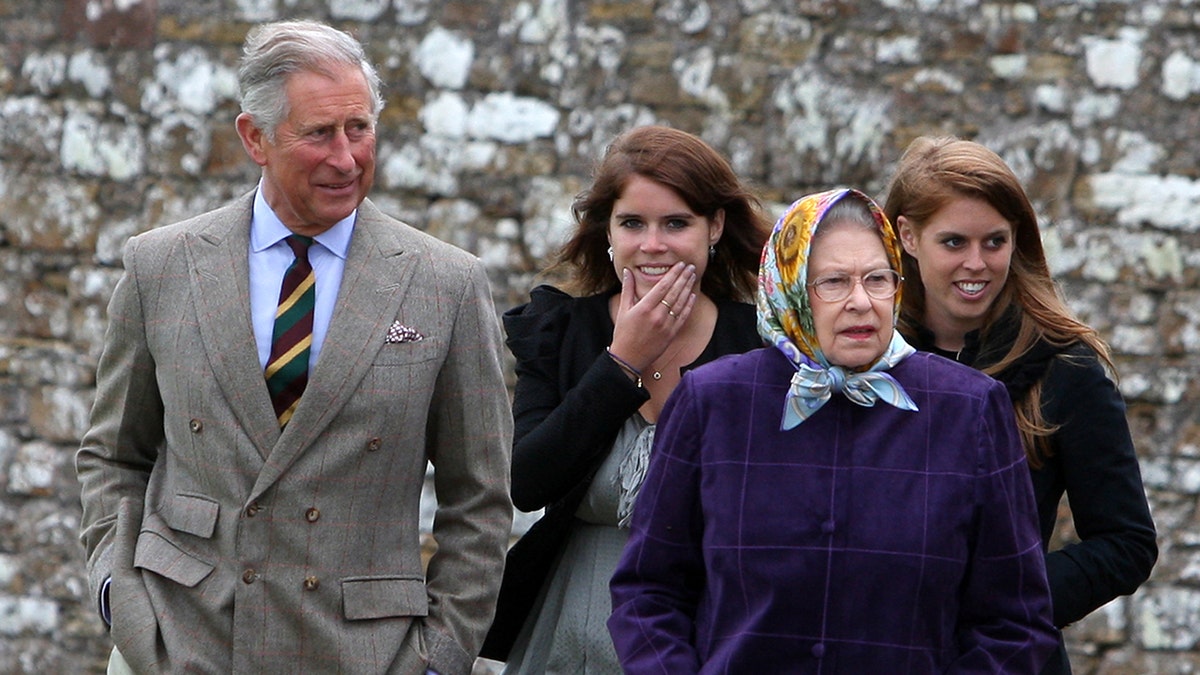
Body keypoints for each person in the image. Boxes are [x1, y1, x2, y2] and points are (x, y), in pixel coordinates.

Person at [75, 20, 512, 675]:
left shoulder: (445, 283)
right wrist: (120, 596)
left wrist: (440, 658)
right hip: (179, 644)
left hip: (363, 654)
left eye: (359, 128)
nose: (346, 157)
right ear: (254, 136)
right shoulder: (161, 266)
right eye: (319, 133)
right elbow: (114, 455)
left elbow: (478, 500)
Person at [608, 188, 1059, 672]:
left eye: (877, 279)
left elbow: (1015, 621)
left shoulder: (968, 409)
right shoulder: (713, 401)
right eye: (834, 282)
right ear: (790, 288)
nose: (861, 302)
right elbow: (647, 593)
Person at [480, 125, 771, 673]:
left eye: (676, 223)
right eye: (632, 223)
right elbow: (527, 482)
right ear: (608, 231)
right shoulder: (560, 330)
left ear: (715, 226)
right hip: (574, 628)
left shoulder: (759, 344)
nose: (652, 245)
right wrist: (620, 365)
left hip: (711, 628)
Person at [883, 136, 1158, 673]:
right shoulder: (862, 359)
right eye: (954, 242)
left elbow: (1126, 543)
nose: (976, 264)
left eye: (995, 242)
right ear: (908, 237)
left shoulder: (1064, 367)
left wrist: (1008, 600)